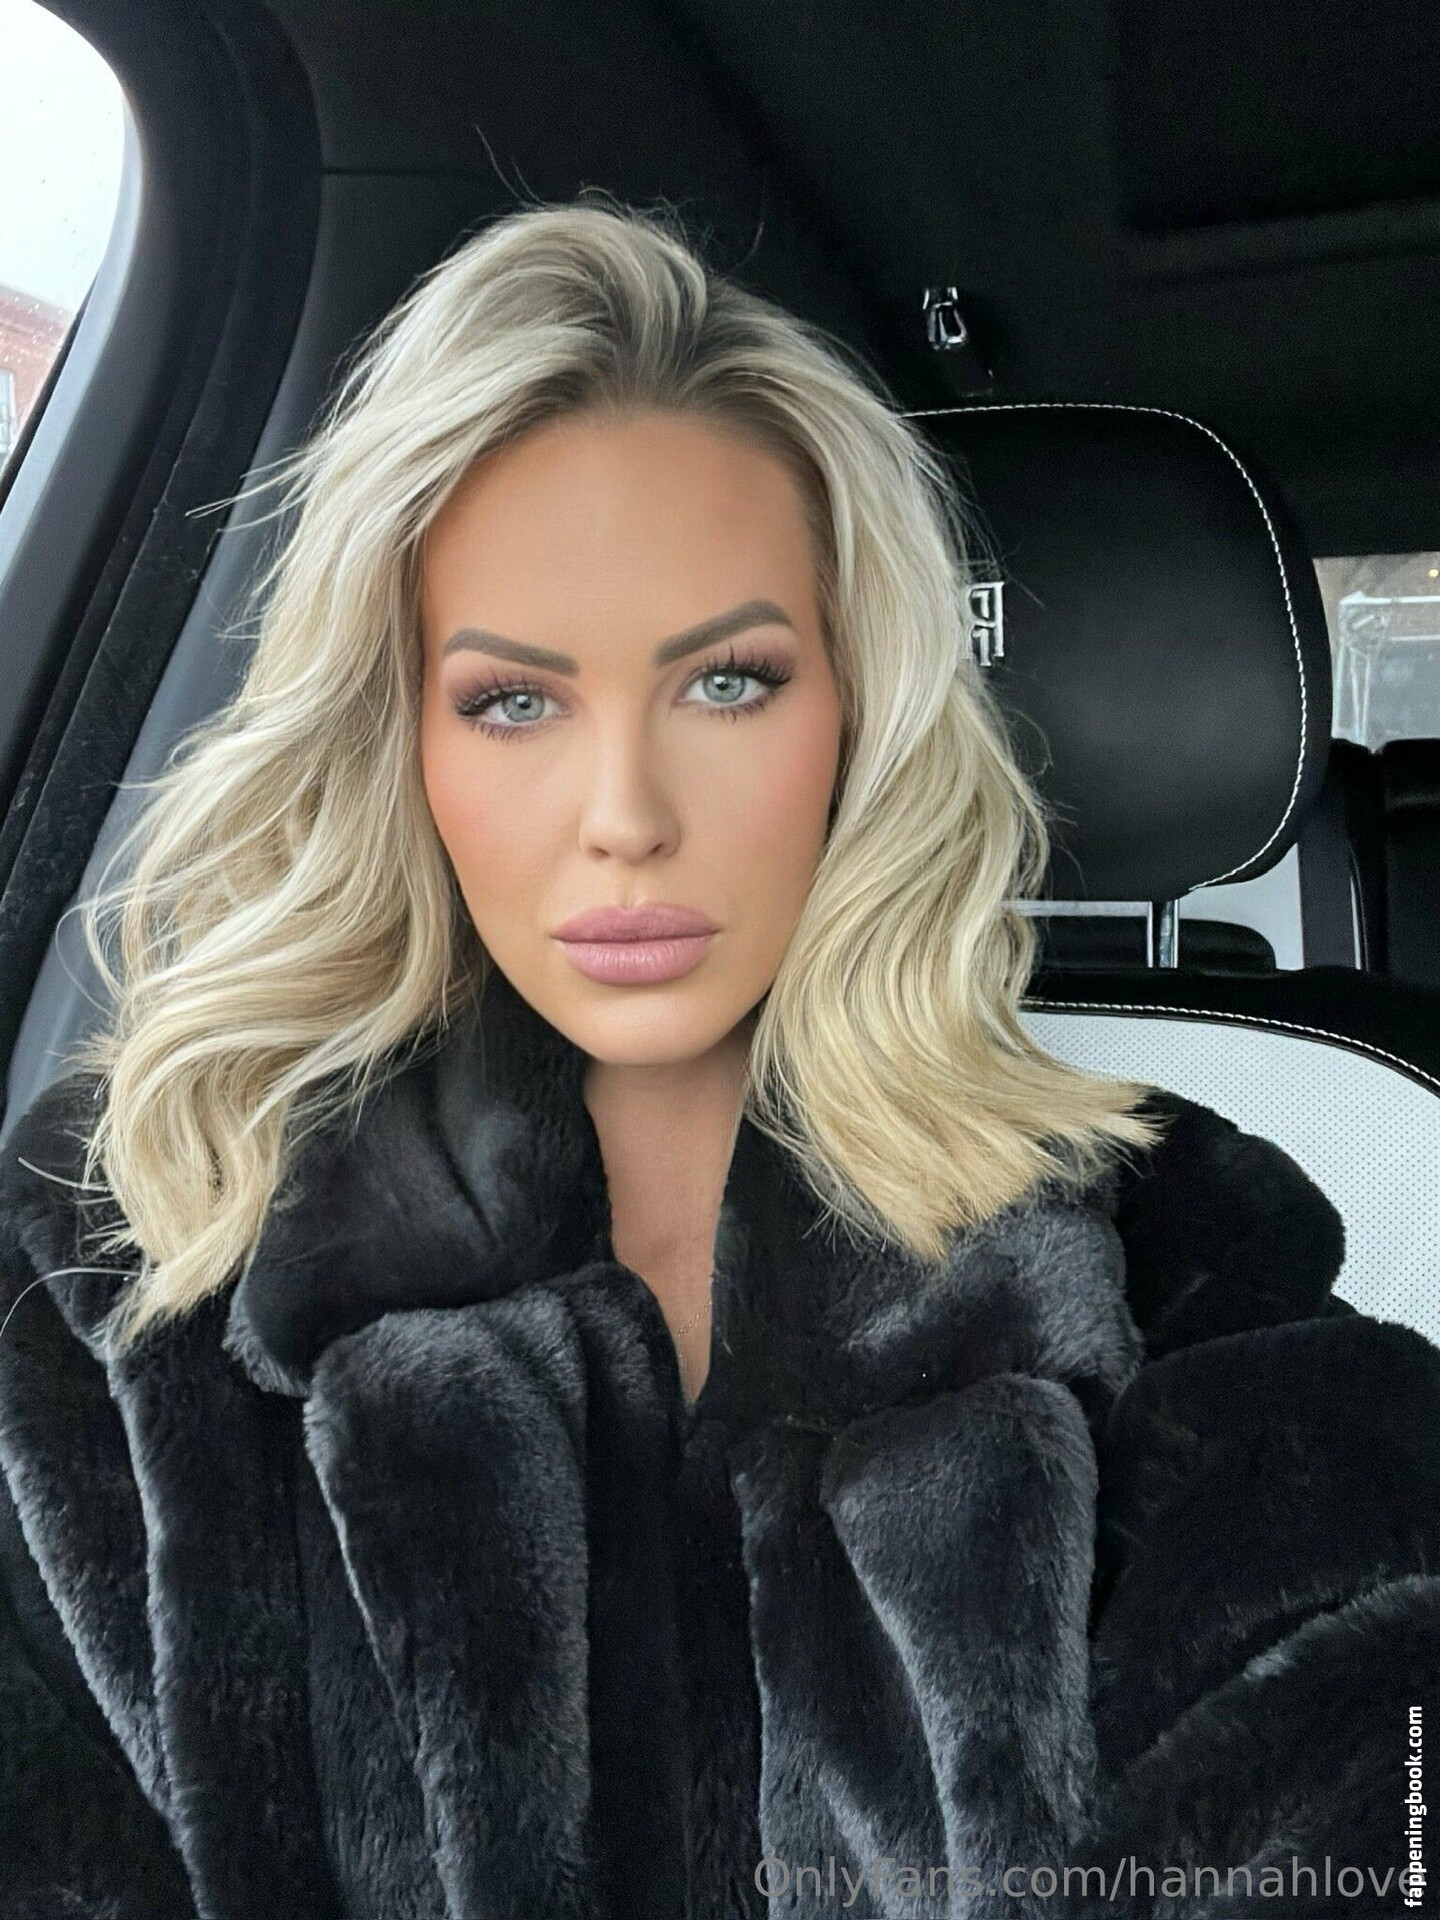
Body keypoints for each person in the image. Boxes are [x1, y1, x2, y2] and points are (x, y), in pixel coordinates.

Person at [0, 194, 1435, 1920]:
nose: (627, 816)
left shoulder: (1171, 1241)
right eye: (513, 701)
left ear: (858, 712)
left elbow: (1363, 1740)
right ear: (400, 740)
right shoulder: (129, 1257)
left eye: (730, 683)